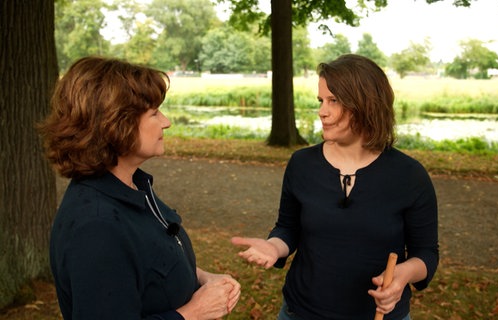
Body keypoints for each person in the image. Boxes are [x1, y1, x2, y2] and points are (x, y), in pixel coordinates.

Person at [231, 54, 438, 320]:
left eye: (334, 101)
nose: (322, 111)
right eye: (321, 100)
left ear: (366, 104)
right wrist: (274, 246)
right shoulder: (302, 164)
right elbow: (288, 228)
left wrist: (403, 275)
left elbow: (426, 253)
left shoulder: (409, 175)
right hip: (301, 313)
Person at [38, 56, 240, 320]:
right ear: (115, 124)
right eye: (154, 113)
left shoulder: (131, 187)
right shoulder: (96, 226)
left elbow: (147, 264)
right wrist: (193, 313)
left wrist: (202, 278)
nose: (166, 121)